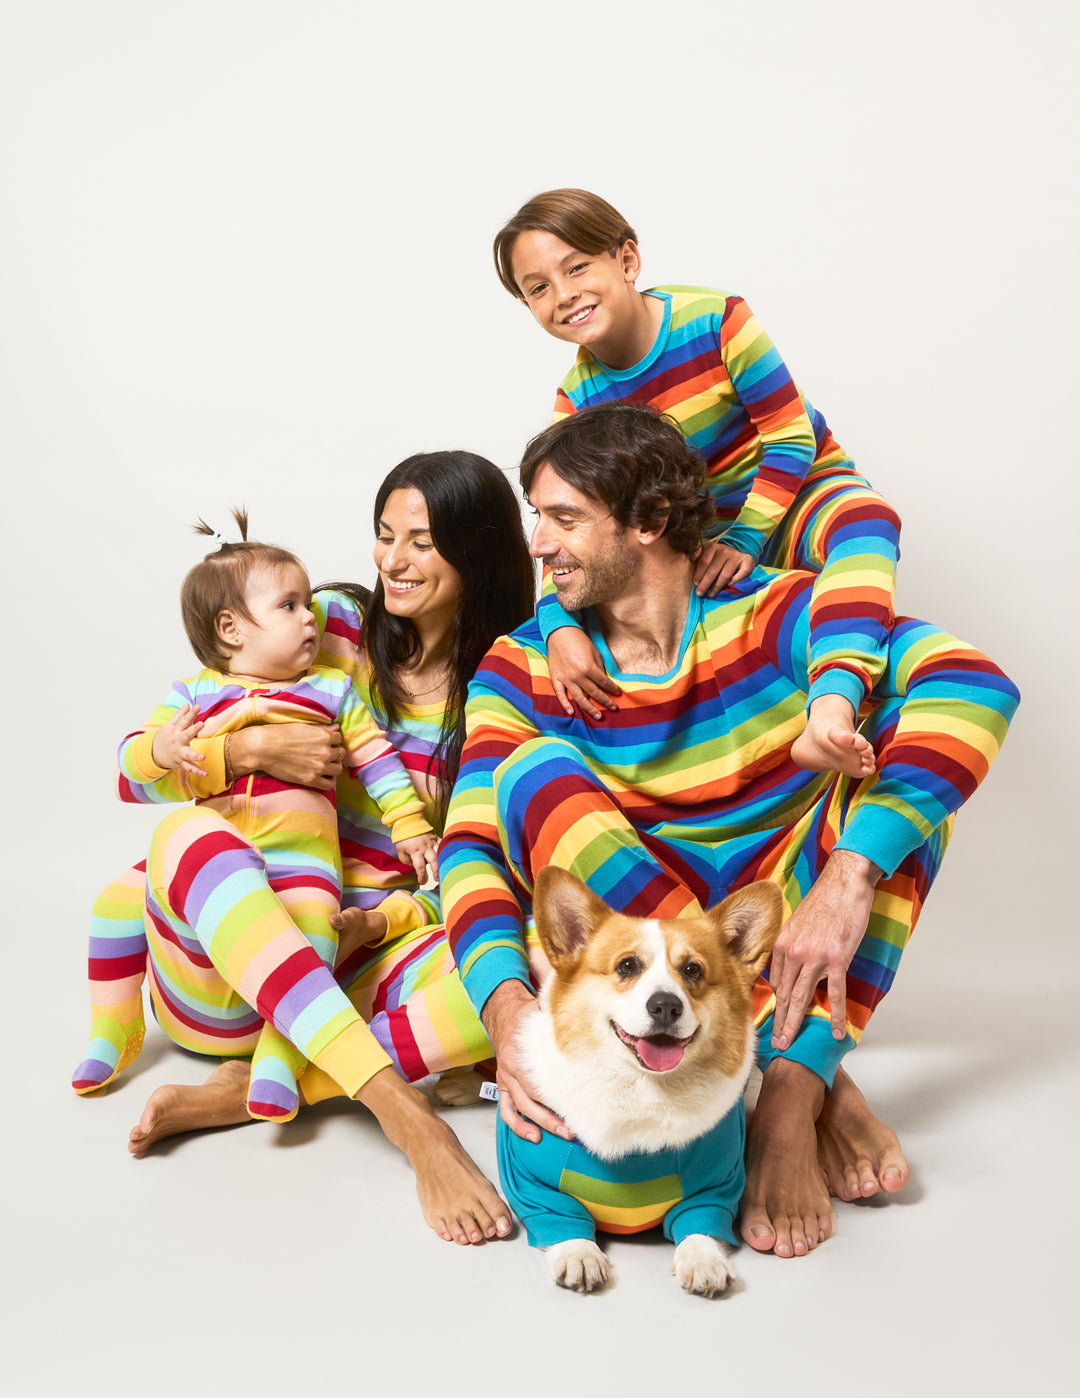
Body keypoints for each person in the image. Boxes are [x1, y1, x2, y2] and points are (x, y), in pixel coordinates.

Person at [440, 403, 1019, 1260]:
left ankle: (787, 1095)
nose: (538, 544)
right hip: (642, 955)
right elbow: (469, 848)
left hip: (764, 921)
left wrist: (848, 876)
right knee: (529, 776)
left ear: (648, 522)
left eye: (562, 519)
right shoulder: (523, 662)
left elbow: (977, 684)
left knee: (906, 786)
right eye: (537, 519)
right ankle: (806, 1065)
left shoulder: (773, 612)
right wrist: (508, 1013)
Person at [72, 453, 535, 1246]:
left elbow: (469, 868)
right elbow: (148, 767)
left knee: (523, 974)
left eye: (422, 542)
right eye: (385, 535)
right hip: (224, 959)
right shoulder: (326, 626)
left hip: (347, 959)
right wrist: (246, 757)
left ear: (479, 549)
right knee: (182, 834)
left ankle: (272, 1084)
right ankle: (403, 1115)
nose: (393, 560)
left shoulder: (504, 691)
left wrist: (382, 921)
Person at [493, 187, 899, 780]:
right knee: (677, 624)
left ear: (627, 261)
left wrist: (746, 539)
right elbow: (567, 524)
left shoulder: (716, 319)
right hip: (699, 534)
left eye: (577, 267)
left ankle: (832, 707)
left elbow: (789, 438)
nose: (563, 294)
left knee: (869, 523)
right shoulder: (577, 402)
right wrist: (557, 629)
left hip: (797, 491)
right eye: (538, 288)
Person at [72, 511, 440, 1124]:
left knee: (312, 929)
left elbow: (378, 761)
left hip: (300, 863)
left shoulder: (330, 690)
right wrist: (159, 749)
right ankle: (113, 1026)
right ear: (231, 629)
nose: (310, 616)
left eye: (307, 603)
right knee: (114, 901)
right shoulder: (194, 694)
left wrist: (409, 823)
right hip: (213, 863)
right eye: (290, 606)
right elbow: (131, 765)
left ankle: (279, 1055)